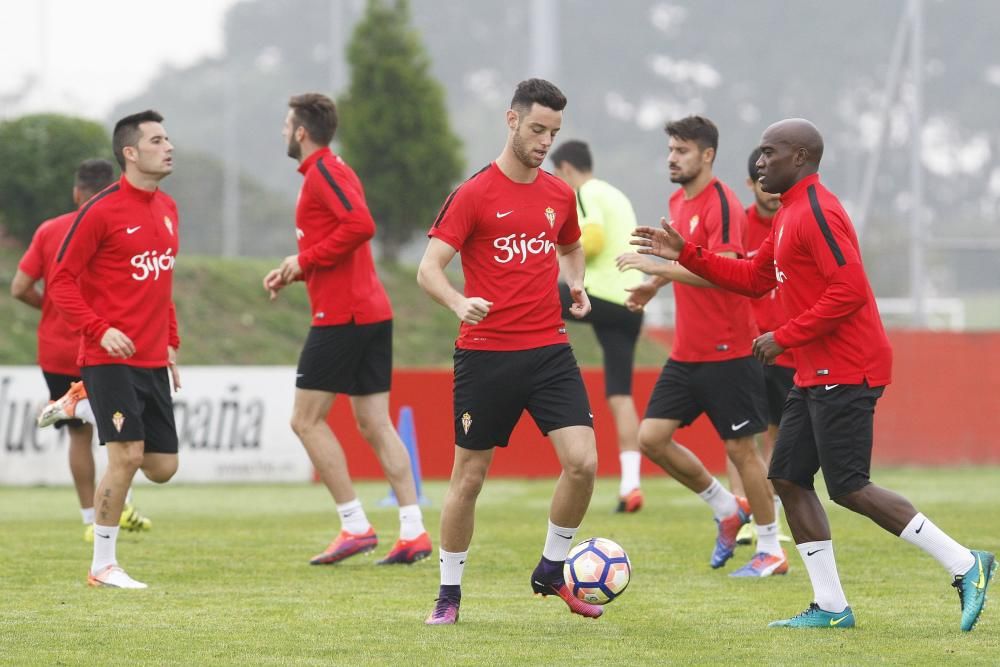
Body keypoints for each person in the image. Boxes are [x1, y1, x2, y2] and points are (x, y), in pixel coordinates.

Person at [631, 117, 995, 631]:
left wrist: (785, 335)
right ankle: (830, 607)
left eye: (769, 152)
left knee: (849, 487)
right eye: (758, 153)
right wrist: (686, 253)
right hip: (815, 369)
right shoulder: (787, 212)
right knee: (787, 477)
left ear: (799, 158)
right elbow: (755, 278)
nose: (759, 162)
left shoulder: (818, 211)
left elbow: (848, 290)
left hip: (849, 367)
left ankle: (965, 563)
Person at [418, 78, 600, 625]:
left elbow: (570, 246)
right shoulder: (473, 193)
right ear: (512, 121)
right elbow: (429, 269)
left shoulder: (559, 194)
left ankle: (551, 568)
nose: (546, 141)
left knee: (583, 464)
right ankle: (448, 594)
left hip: (549, 350)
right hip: (485, 354)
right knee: (468, 479)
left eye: (555, 132)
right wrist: (457, 301)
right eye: (538, 129)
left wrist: (576, 284)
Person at [262, 93, 430, 566]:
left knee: (305, 419)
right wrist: (295, 268)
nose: (281, 131)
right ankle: (413, 532)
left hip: (344, 316)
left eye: (285, 123)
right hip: (369, 311)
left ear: (300, 131)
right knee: (374, 423)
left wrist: (305, 259)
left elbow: (360, 224)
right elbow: (337, 237)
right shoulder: (331, 170)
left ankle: (355, 525)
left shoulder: (324, 172)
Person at [616, 116, 785, 578]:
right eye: (671, 149)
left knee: (741, 451)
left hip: (729, 350)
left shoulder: (723, 204)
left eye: (682, 150)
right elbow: (684, 261)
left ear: (707, 155)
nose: (672, 157)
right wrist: (653, 284)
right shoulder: (677, 201)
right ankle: (726, 508)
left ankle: (771, 549)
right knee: (651, 438)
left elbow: (725, 270)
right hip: (686, 352)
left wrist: (659, 269)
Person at [48, 110, 182, 589]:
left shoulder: (168, 208)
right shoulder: (100, 211)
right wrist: (99, 329)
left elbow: (161, 284)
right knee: (126, 455)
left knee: (163, 467)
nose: (168, 146)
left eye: (168, 138)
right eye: (156, 139)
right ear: (130, 152)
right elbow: (60, 281)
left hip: (150, 359)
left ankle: (81, 402)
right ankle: (102, 565)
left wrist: (170, 342)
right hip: (107, 357)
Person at [14, 159, 152, 542]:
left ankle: (92, 517)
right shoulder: (119, 226)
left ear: (77, 192)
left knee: (79, 435)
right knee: (123, 429)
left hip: (57, 348)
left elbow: (19, 287)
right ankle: (117, 510)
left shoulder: (50, 230)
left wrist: (49, 307)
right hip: (103, 345)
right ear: (112, 190)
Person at [549, 140, 645, 514]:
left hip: (602, 296)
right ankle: (631, 485)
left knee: (538, 296)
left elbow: (592, 239)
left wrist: (553, 250)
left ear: (567, 170)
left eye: (558, 175)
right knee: (620, 395)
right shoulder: (616, 194)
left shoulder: (585, 191)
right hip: (632, 303)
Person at [729, 148, 793, 547]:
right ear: (751, 184)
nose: (770, 190)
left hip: (788, 346)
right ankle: (744, 516)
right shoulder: (737, 224)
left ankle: (772, 517)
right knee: (741, 437)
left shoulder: (794, 222)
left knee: (781, 436)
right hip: (747, 346)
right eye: (761, 180)